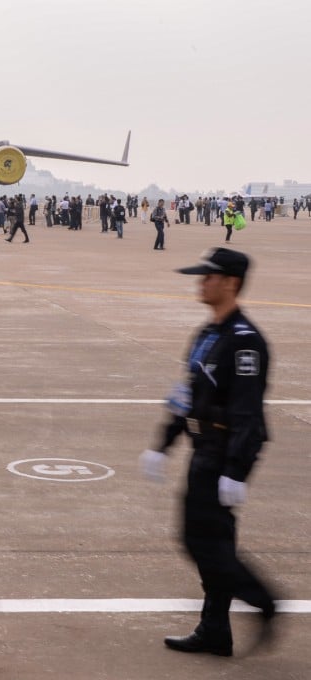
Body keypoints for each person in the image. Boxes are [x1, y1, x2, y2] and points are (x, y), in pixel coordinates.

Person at [139, 247, 277, 658]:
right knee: (211, 544)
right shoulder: (208, 334)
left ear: (230, 283)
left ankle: (264, 601)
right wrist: (164, 443)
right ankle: (215, 629)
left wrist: (235, 470)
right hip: (203, 451)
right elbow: (188, 393)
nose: (201, 282)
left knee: (201, 542)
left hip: (222, 457)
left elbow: (248, 414)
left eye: (209, 276)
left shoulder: (245, 343)